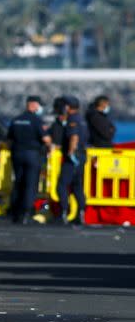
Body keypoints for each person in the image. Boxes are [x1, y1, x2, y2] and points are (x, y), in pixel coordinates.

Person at [8, 96, 51, 225]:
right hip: (32, 154)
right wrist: (50, 147)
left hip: (17, 154)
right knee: (30, 185)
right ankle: (26, 213)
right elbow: (46, 139)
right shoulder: (36, 120)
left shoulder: (15, 120)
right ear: (34, 105)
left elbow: (9, 138)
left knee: (18, 183)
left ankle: (15, 212)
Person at [57, 96, 88, 225]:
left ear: (68, 107)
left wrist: (71, 152)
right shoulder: (82, 120)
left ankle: (64, 212)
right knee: (77, 187)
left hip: (74, 157)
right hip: (82, 156)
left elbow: (74, 136)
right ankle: (81, 213)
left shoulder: (72, 119)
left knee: (62, 185)